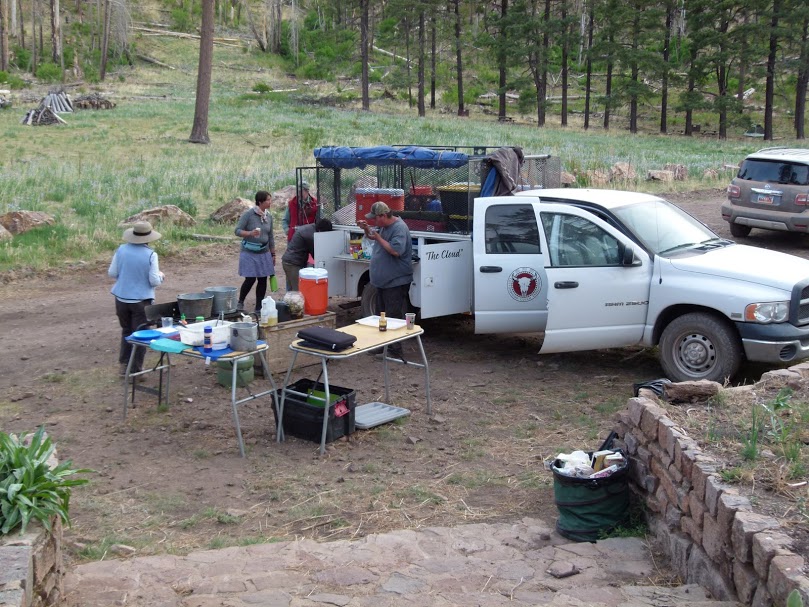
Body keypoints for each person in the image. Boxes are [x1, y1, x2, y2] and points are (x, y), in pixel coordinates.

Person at [357, 201, 413, 358]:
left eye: (374, 218)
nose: (374, 221)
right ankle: (382, 345)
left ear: (383, 216)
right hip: (383, 281)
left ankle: (395, 351)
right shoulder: (384, 226)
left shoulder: (399, 228)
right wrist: (367, 229)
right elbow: (373, 236)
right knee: (381, 316)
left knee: (393, 316)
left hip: (395, 281)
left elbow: (396, 251)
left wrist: (377, 236)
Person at [108, 220, 165, 376]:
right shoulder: (151, 255)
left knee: (126, 331)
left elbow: (112, 273)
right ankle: (135, 370)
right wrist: (161, 277)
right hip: (141, 301)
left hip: (121, 298)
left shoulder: (121, 250)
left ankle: (124, 366)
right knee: (140, 335)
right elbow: (154, 281)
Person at [235, 191, 276, 313]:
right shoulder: (249, 215)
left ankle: (259, 307)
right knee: (250, 278)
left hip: (264, 252)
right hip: (249, 252)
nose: (270, 202)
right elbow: (237, 231)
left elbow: (271, 236)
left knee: (263, 279)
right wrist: (250, 233)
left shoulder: (269, 216)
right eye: (268, 200)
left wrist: (273, 254)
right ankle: (240, 302)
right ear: (260, 202)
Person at [281, 218, 333, 291]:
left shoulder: (311, 228)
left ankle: (289, 302)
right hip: (293, 264)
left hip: (289, 262)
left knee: (291, 290)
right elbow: (316, 254)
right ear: (321, 230)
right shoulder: (311, 236)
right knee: (299, 291)